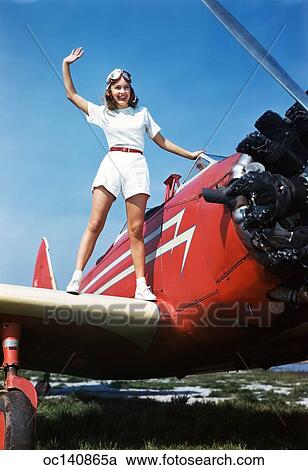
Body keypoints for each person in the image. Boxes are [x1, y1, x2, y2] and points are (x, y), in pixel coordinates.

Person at [62, 47, 203, 300]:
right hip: (112, 162)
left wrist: (190, 155)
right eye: (117, 88)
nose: (122, 91)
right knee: (95, 223)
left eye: (126, 87)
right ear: (110, 91)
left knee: (136, 229)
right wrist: (66, 64)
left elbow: (162, 141)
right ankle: (76, 277)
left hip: (137, 165)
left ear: (131, 90)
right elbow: (72, 95)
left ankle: (141, 286)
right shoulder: (103, 113)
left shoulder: (143, 113)